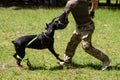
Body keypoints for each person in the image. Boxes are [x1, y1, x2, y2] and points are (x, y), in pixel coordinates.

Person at [58, 0, 111, 70]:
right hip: (78, 27)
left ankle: (106, 59)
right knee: (72, 43)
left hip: (88, 26)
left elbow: (95, 1)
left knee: (86, 47)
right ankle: (67, 61)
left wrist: (92, 11)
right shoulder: (70, 3)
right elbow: (65, 16)